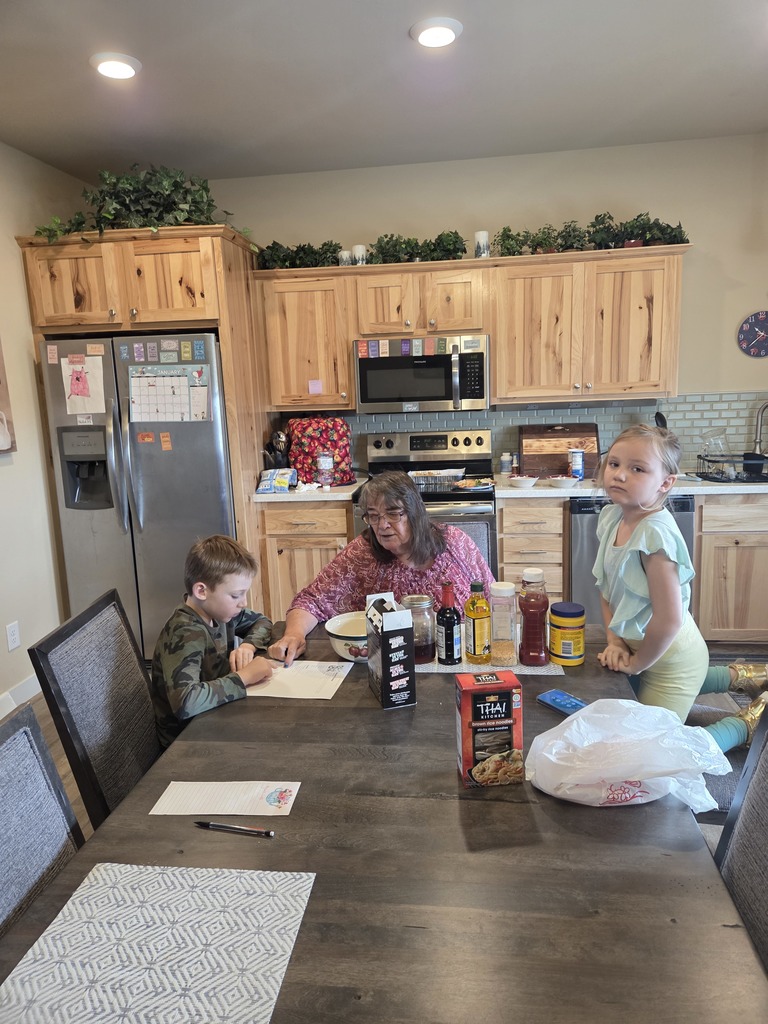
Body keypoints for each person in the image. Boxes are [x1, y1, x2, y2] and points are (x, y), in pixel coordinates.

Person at [593, 423, 767, 751]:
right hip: (644, 649)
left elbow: (670, 619)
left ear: (665, 482)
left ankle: (747, 724)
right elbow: (606, 588)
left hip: (672, 659)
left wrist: (637, 664)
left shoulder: (654, 537)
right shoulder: (612, 517)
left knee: (654, 750)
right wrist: (615, 641)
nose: (619, 475)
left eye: (637, 469)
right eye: (614, 464)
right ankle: (747, 674)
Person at [268, 470, 495, 666]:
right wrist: (294, 634)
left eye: (394, 514)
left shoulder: (455, 543)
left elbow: (492, 599)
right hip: (388, 669)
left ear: (414, 512)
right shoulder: (361, 553)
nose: (382, 525)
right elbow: (311, 600)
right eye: (374, 516)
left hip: (460, 660)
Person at [151, 535, 274, 747]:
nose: (243, 603)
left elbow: (263, 622)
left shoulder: (219, 613)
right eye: (236, 595)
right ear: (201, 591)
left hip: (216, 721)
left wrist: (248, 645)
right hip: (187, 744)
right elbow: (185, 702)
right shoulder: (185, 632)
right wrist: (244, 677)